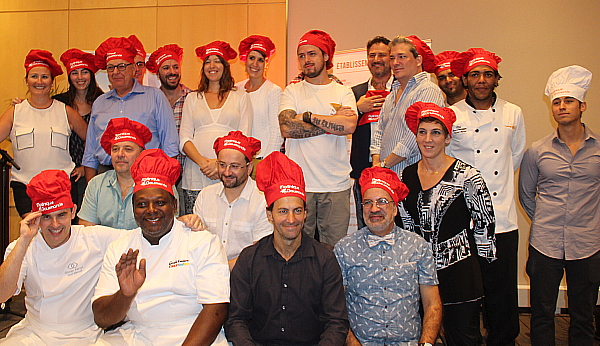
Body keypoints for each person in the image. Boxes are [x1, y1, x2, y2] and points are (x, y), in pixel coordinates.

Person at [0, 169, 203, 345]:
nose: (54, 225)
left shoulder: (95, 238)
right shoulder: (22, 247)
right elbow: (2, 295)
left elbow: (143, 236)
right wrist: (24, 241)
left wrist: (178, 223)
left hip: (85, 335)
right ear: (35, 218)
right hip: (35, 332)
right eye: (46, 217)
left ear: (73, 211)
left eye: (61, 215)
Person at [92, 149, 229, 345]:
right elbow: (101, 318)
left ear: (174, 205)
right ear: (133, 209)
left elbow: (216, 309)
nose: (151, 211)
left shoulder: (203, 242)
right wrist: (125, 294)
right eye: (141, 204)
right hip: (136, 334)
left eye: (160, 202)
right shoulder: (120, 248)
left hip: (193, 333)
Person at [225, 151, 349, 345]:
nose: (291, 220)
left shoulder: (325, 259)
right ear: (269, 215)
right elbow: (236, 320)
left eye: (297, 211)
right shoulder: (249, 259)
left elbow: (336, 322)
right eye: (283, 211)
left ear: (306, 213)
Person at [398, 102, 496, 345]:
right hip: (418, 277)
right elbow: (404, 227)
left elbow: (485, 226)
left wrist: (484, 271)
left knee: (462, 338)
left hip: (460, 276)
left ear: (448, 138)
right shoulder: (405, 176)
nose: (428, 139)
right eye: (422, 132)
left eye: (436, 132)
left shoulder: (468, 177)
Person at [448, 47, 525, 346]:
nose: (481, 80)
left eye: (488, 74)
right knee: (465, 291)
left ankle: (503, 341)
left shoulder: (513, 112)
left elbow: (514, 157)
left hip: (502, 220)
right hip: (464, 220)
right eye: (475, 75)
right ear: (465, 80)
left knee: (502, 291)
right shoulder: (453, 115)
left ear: (496, 79)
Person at [519, 65, 600, 346]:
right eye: (557, 102)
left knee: (583, 315)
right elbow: (527, 195)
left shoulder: (599, 150)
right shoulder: (537, 151)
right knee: (541, 314)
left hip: (588, 246)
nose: (562, 107)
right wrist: (544, 219)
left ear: (582, 106)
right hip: (545, 245)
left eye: (568, 101)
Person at [335, 166, 442, 346]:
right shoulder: (344, 249)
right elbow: (335, 310)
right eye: (367, 202)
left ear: (395, 209)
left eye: (382, 201)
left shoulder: (418, 247)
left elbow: (432, 304)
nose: (374, 208)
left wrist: (426, 343)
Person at [278, 29, 357, 247]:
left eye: (311, 54)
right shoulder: (292, 92)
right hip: (300, 185)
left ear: (326, 57)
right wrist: (333, 123)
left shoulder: (343, 91)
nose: (306, 60)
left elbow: (349, 125)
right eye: (301, 56)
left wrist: (308, 117)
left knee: (335, 250)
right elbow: (287, 128)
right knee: (297, 248)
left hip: (335, 185)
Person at [0, 49, 88, 217]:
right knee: (33, 232)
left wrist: (84, 167)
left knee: (62, 234)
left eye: (45, 77)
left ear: (52, 82)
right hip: (25, 186)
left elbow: (93, 141)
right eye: (34, 76)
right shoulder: (15, 112)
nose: (39, 81)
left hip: (62, 187)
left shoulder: (65, 111)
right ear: (26, 81)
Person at [82, 36, 179, 182]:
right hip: (106, 174)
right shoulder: (100, 102)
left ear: (134, 69)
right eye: (111, 68)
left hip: (147, 175)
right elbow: (90, 152)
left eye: (121, 66)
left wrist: (164, 181)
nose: (116, 72)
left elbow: (170, 145)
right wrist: (90, 189)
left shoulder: (155, 97)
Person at [179, 40, 252, 214]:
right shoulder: (192, 98)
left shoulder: (241, 96)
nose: (212, 66)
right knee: (196, 228)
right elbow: (184, 139)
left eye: (217, 61)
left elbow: (244, 137)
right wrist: (204, 163)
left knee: (227, 225)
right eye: (207, 62)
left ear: (225, 66)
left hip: (229, 174)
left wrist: (219, 165)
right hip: (196, 174)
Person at [78, 117, 176, 229]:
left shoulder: (161, 183)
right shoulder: (96, 184)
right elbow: (86, 229)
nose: (120, 154)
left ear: (141, 154)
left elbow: (169, 228)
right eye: (115, 149)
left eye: (128, 149)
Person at [194, 131, 271, 270]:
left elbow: (259, 253)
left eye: (234, 166)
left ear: (249, 168)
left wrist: (221, 270)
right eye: (222, 165)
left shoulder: (262, 200)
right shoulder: (205, 196)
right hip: (208, 271)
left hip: (246, 274)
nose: (227, 172)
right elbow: (196, 242)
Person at [370, 35, 445, 178]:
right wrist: (376, 164)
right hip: (386, 175)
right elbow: (380, 131)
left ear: (418, 60)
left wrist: (385, 164)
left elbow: (414, 136)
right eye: (392, 58)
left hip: (412, 177)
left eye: (402, 57)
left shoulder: (428, 90)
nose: (395, 63)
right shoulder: (392, 93)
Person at [350, 35, 394, 229]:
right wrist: (358, 109)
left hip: (395, 165)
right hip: (363, 170)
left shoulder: (401, 89)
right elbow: (344, 126)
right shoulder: (353, 93)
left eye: (382, 55)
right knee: (367, 222)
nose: (376, 59)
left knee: (397, 221)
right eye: (372, 55)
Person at [147, 44, 193, 215]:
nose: (172, 72)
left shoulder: (193, 97)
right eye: (166, 68)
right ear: (158, 73)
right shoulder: (151, 100)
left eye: (175, 67)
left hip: (187, 173)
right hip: (158, 172)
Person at [236, 35, 283, 165]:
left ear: (266, 64)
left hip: (261, 159)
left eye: (260, 60)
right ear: (245, 60)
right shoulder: (236, 88)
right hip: (238, 159)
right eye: (252, 58)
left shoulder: (273, 91)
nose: (255, 64)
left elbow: (276, 132)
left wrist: (267, 162)